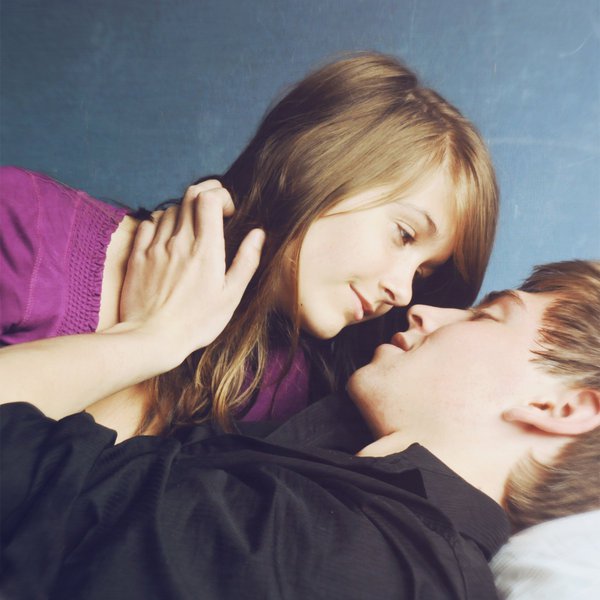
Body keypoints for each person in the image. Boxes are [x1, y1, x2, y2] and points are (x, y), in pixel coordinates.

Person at [1, 260, 598, 599]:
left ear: (561, 407)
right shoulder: (350, 516)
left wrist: (153, 339)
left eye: (489, 315)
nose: (423, 309)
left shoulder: (344, 556)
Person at [0, 52, 498, 439]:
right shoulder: (24, 221)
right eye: (404, 234)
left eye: (422, 273)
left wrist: (159, 343)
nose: (403, 292)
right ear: (319, 161)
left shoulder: (289, 395)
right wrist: (149, 340)